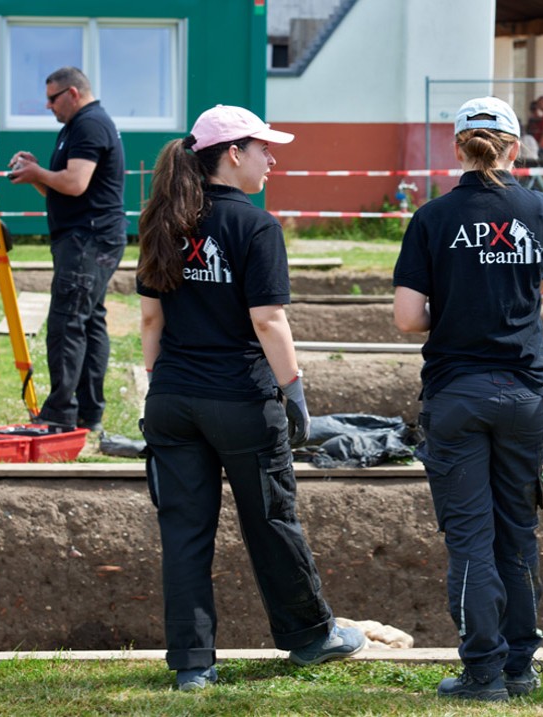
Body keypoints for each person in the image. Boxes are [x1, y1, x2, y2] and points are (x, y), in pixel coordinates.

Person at [136, 105, 365, 691]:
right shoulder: (256, 226)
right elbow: (268, 320)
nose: (273, 158)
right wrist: (295, 392)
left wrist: (165, 385)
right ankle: (312, 637)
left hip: (173, 400)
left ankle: (192, 665)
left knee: (184, 531)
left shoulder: (163, 220)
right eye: (265, 148)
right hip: (239, 398)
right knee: (270, 519)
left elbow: (149, 319)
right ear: (233, 153)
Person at [393, 96, 543, 702]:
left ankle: (482, 673)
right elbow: (535, 290)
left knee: (470, 539)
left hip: (456, 396)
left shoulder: (432, 218)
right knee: (517, 531)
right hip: (522, 395)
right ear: (516, 147)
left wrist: (456, 309)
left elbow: (409, 317)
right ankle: (520, 667)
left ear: (457, 146)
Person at [8, 67, 126, 433]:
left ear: (73, 93)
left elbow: (74, 184)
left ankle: (61, 412)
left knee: (67, 321)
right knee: (88, 322)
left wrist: (39, 173)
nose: (48, 106)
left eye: (53, 98)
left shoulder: (89, 124)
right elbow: (63, 189)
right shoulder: (76, 127)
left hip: (88, 238)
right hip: (87, 236)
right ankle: (87, 413)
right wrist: (35, 175)